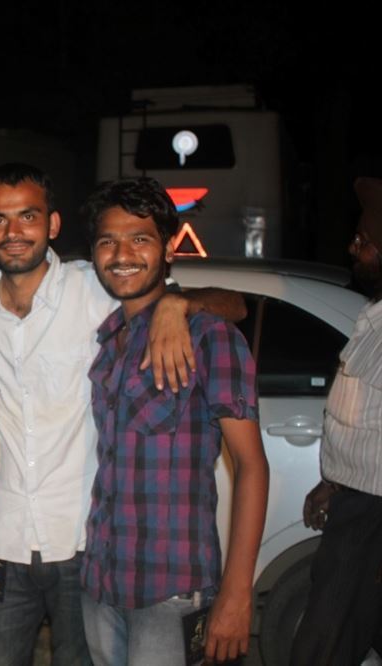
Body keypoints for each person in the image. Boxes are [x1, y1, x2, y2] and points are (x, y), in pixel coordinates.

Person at [0, 164, 246, 666]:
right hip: (2, 537)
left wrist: (177, 303)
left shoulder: (95, 286)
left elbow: (232, 305)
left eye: (28, 216)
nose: (13, 232)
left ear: (53, 224)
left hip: (84, 542)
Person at [79, 177, 269, 665]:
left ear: (167, 248)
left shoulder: (208, 336)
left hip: (172, 588)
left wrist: (237, 593)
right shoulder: (109, 341)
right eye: (107, 241)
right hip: (101, 581)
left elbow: (251, 466)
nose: (122, 254)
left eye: (139, 239)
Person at [291, 176, 382, 665]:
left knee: (323, 645)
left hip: (372, 516)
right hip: (358, 503)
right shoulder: (375, 317)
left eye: (363, 241)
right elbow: (363, 421)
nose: (353, 248)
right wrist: (334, 483)